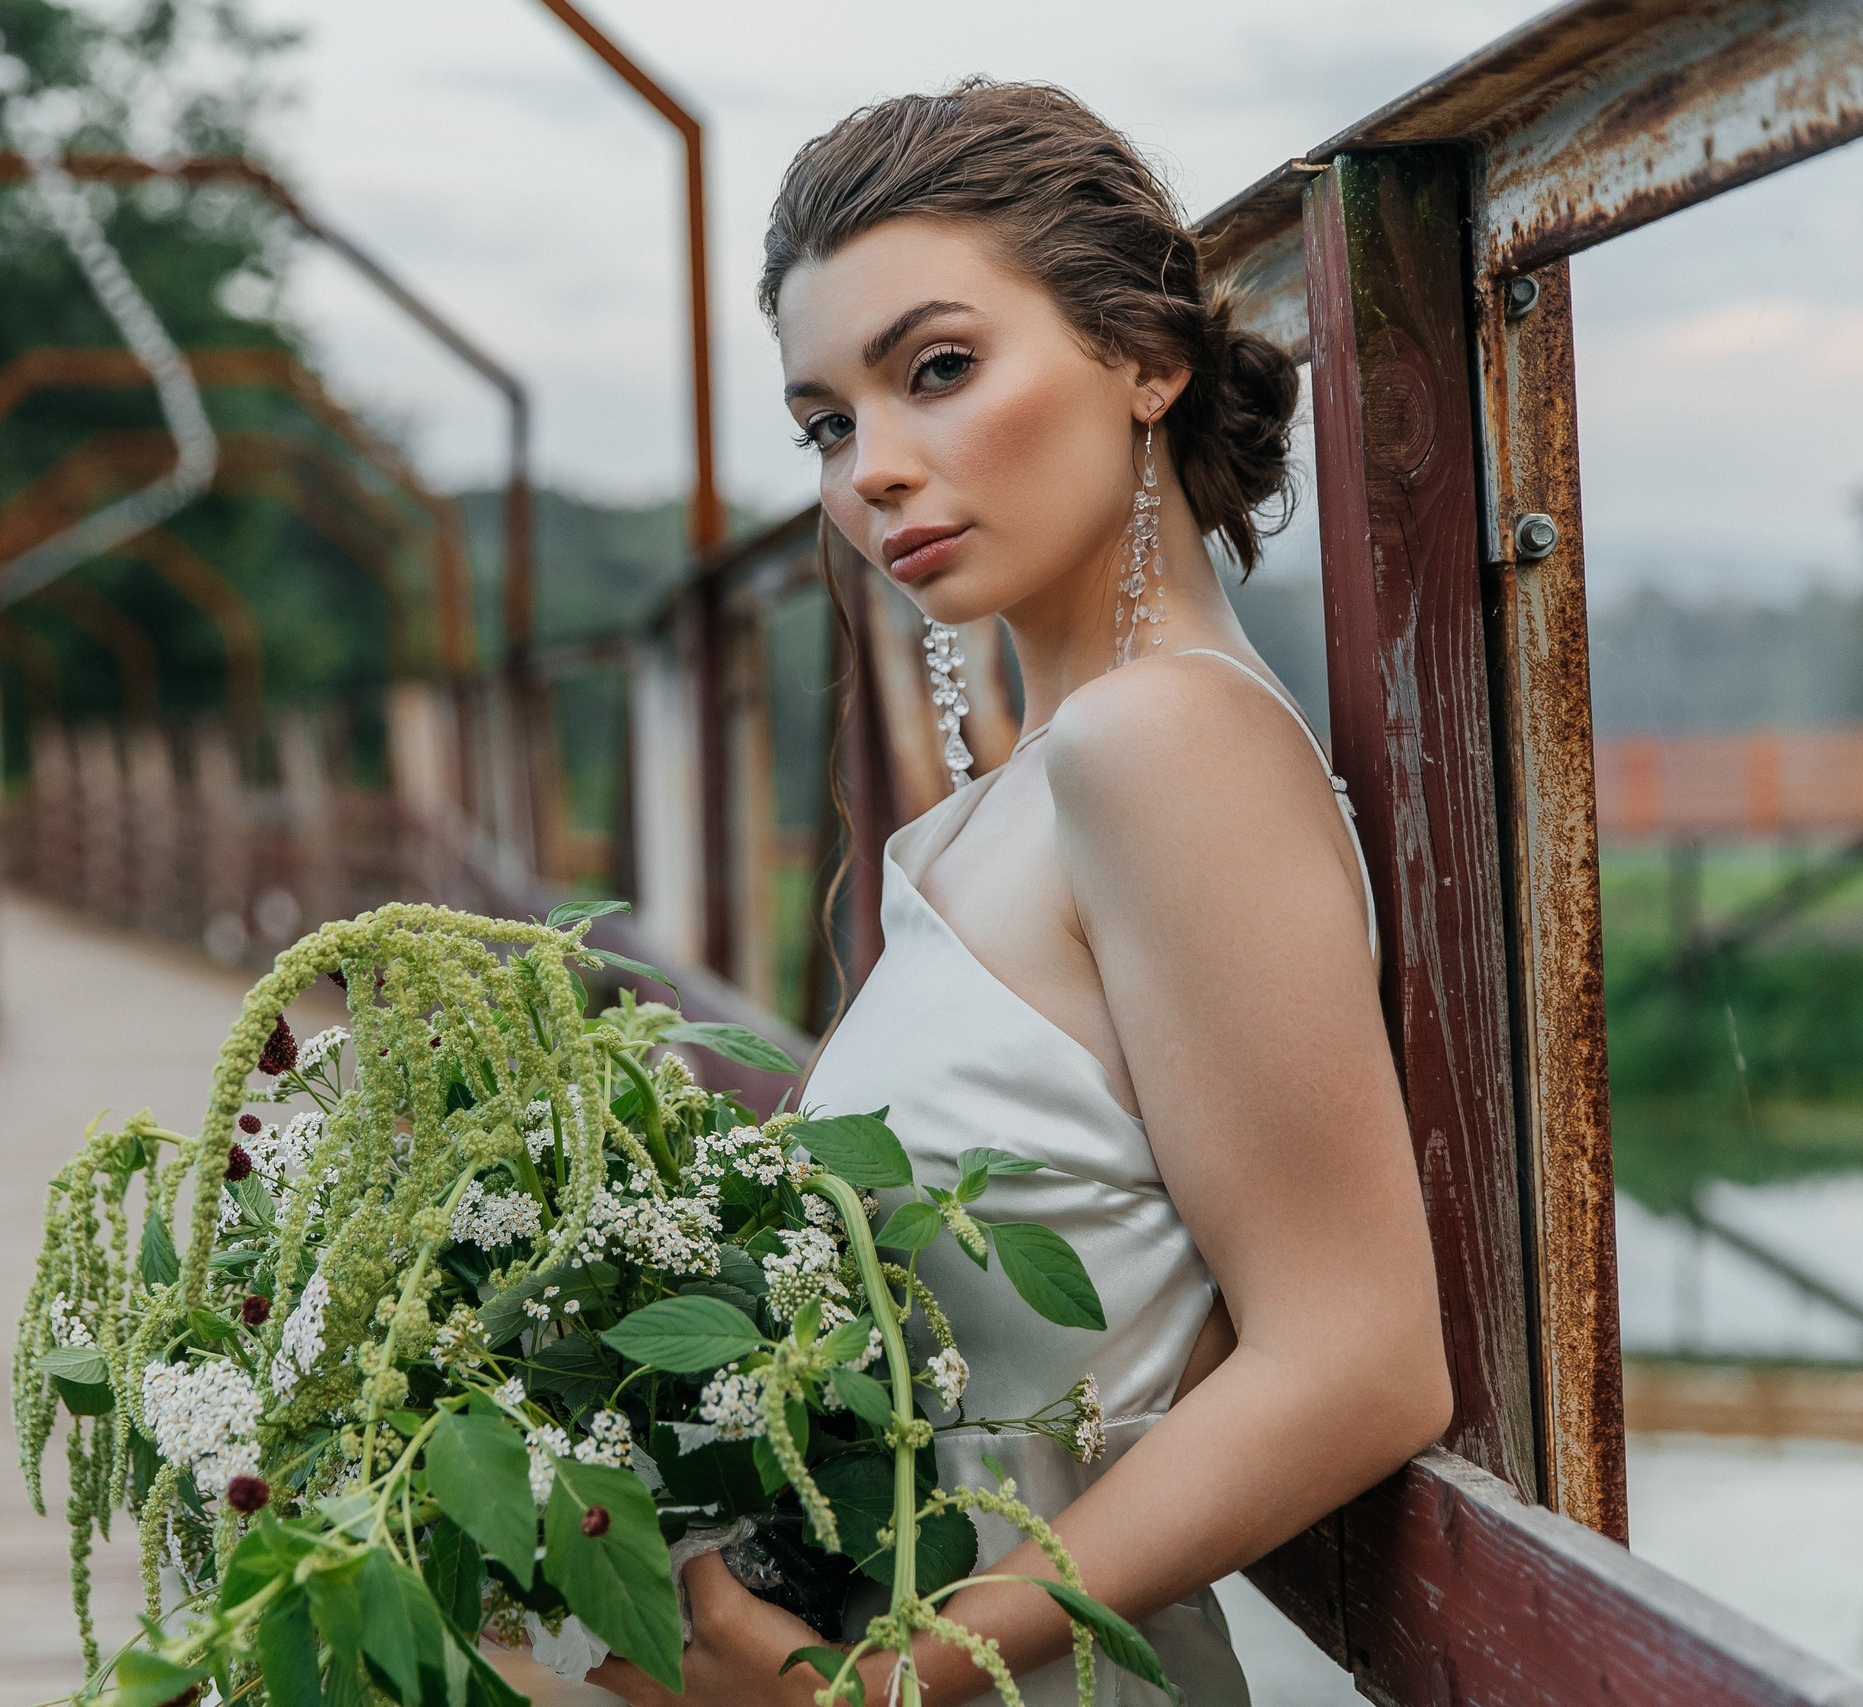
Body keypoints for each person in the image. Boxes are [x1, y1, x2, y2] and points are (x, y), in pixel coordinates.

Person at [586, 82, 1451, 1707]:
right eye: (830, 423)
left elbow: (1358, 1360)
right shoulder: (1021, 792)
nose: (874, 474)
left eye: (939, 371)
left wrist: (882, 1681)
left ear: (1145, 358)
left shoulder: (1168, 744)